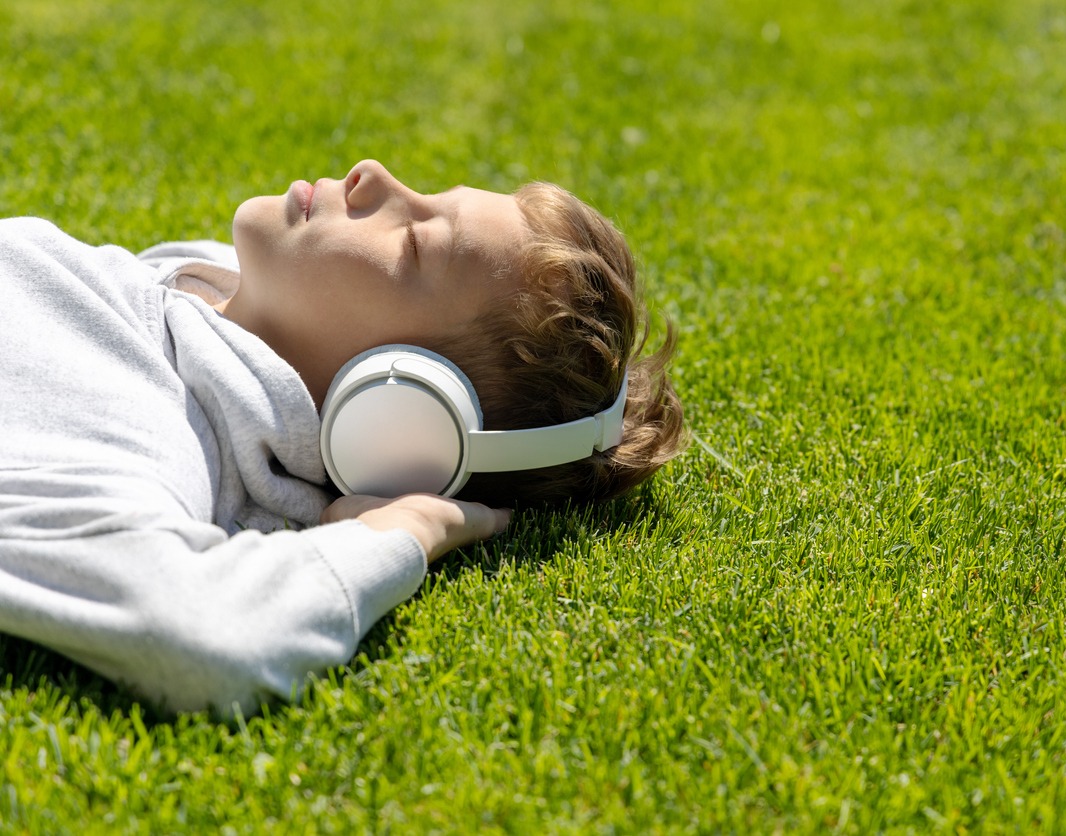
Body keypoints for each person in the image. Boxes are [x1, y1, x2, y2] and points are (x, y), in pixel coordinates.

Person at [0, 160, 684, 715]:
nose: (373, 174)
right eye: (425, 193)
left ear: (400, 417)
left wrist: (402, 527)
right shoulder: (214, 302)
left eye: (414, 244)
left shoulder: (131, 416)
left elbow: (203, 633)